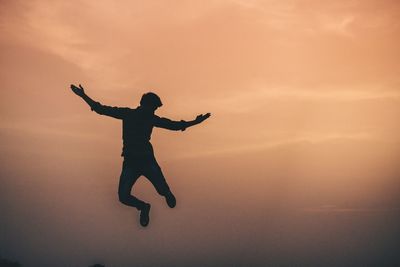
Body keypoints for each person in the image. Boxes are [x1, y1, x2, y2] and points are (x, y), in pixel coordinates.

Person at [70, 84, 211, 227]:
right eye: (153, 108)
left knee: (162, 189)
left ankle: (167, 193)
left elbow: (173, 125)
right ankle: (143, 207)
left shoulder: (151, 118)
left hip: (147, 160)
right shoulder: (128, 114)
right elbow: (101, 109)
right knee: (123, 197)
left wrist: (195, 122)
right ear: (145, 105)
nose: (153, 111)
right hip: (131, 161)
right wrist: (83, 96)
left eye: (155, 109)